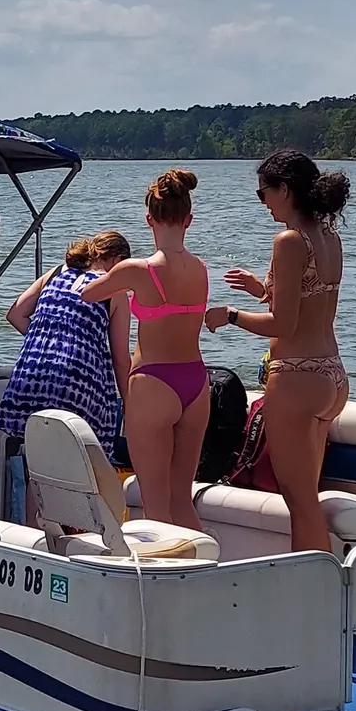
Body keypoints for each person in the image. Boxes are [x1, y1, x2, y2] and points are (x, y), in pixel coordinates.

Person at [208, 148, 350, 556]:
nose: (264, 203)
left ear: (284, 189)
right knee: (309, 497)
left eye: (263, 193)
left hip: (296, 377)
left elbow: (282, 326)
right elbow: (310, 305)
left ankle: (313, 596)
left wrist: (230, 315)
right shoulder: (328, 237)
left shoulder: (288, 241)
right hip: (331, 375)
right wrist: (261, 289)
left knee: (299, 501)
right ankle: (324, 591)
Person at [78, 169, 210, 527]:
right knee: (182, 502)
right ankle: (199, 575)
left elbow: (87, 293)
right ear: (189, 220)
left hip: (153, 382)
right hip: (196, 383)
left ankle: (159, 579)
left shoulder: (137, 269)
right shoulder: (200, 268)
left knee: (155, 506)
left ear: (148, 218)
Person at [0, 230, 132, 460]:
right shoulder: (113, 292)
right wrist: (129, 402)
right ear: (117, 262)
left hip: (32, 374)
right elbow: (120, 359)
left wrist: (48, 340)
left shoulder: (55, 273)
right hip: (75, 380)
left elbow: (16, 314)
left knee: (38, 465)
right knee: (76, 464)